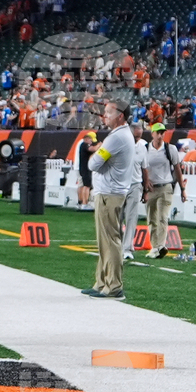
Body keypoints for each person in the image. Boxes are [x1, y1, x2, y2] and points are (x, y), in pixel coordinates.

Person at [80, 101, 135, 300]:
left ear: (120, 115)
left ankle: (113, 286)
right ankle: (102, 282)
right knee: (106, 240)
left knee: (110, 240)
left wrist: (99, 150)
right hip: (110, 193)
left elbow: (93, 164)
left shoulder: (116, 138)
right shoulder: (120, 135)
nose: (105, 116)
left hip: (109, 194)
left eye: (108, 112)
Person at [142, 123, 187, 258]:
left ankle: (160, 245)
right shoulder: (145, 149)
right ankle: (155, 246)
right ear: (153, 134)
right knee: (151, 218)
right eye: (158, 132)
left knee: (162, 217)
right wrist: (145, 181)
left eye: (163, 133)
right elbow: (140, 167)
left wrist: (182, 188)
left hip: (165, 186)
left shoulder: (170, 149)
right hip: (150, 188)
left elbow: (177, 168)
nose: (161, 135)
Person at [121, 122, 149, 260]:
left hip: (135, 185)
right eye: (135, 136)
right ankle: (118, 245)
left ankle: (127, 248)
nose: (137, 139)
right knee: (117, 218)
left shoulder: (143, 147)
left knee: (131, 218)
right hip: (119, 186)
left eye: (139, 136)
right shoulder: (120, 144)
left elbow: (144, 168)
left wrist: (145, 189)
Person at [77, 132, 95, 210]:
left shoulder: (81, 144)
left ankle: (80, 202)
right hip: (85, 168)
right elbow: (93, 149)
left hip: (81, 167)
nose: (91, 143)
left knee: (81, 186)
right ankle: (85, 203)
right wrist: (100, 145)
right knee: (86, 186)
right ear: (87, 139)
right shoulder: (84, 145)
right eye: (91, 141)